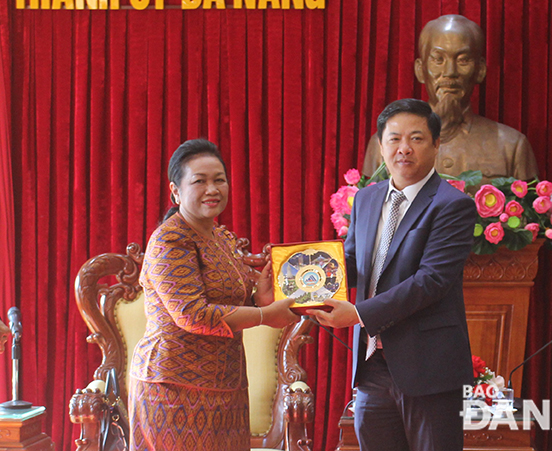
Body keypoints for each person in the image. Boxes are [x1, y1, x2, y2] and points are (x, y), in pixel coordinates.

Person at [309, 99, 477, 451]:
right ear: (381, 145)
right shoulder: (367, 199)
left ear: (436, 144)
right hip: (373, 367)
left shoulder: (452, 205)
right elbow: (353, 261)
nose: (404, 148)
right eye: (394, 138)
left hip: (429, 367)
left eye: (416, 138)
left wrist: (357, 314)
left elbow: (431, 281)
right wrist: (302, 277)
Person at [128, 138, 300, 451]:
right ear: (175, 190)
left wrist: (258, 299)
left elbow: (229, 302)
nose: (213, 189)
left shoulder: (220, 236)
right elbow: (193, 314)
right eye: (200, 181)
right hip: (173, 390)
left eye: (219, 180)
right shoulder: (169, 241)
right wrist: (265, 316)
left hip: (227, 388)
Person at [362, 14, 538, 183]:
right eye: (438, 60)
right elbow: (368, 209)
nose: (450, 72)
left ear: (480, 70)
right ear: (420, 70)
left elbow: (531, 210)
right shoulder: (385, 144)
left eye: (463, 60)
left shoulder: (512, 146)